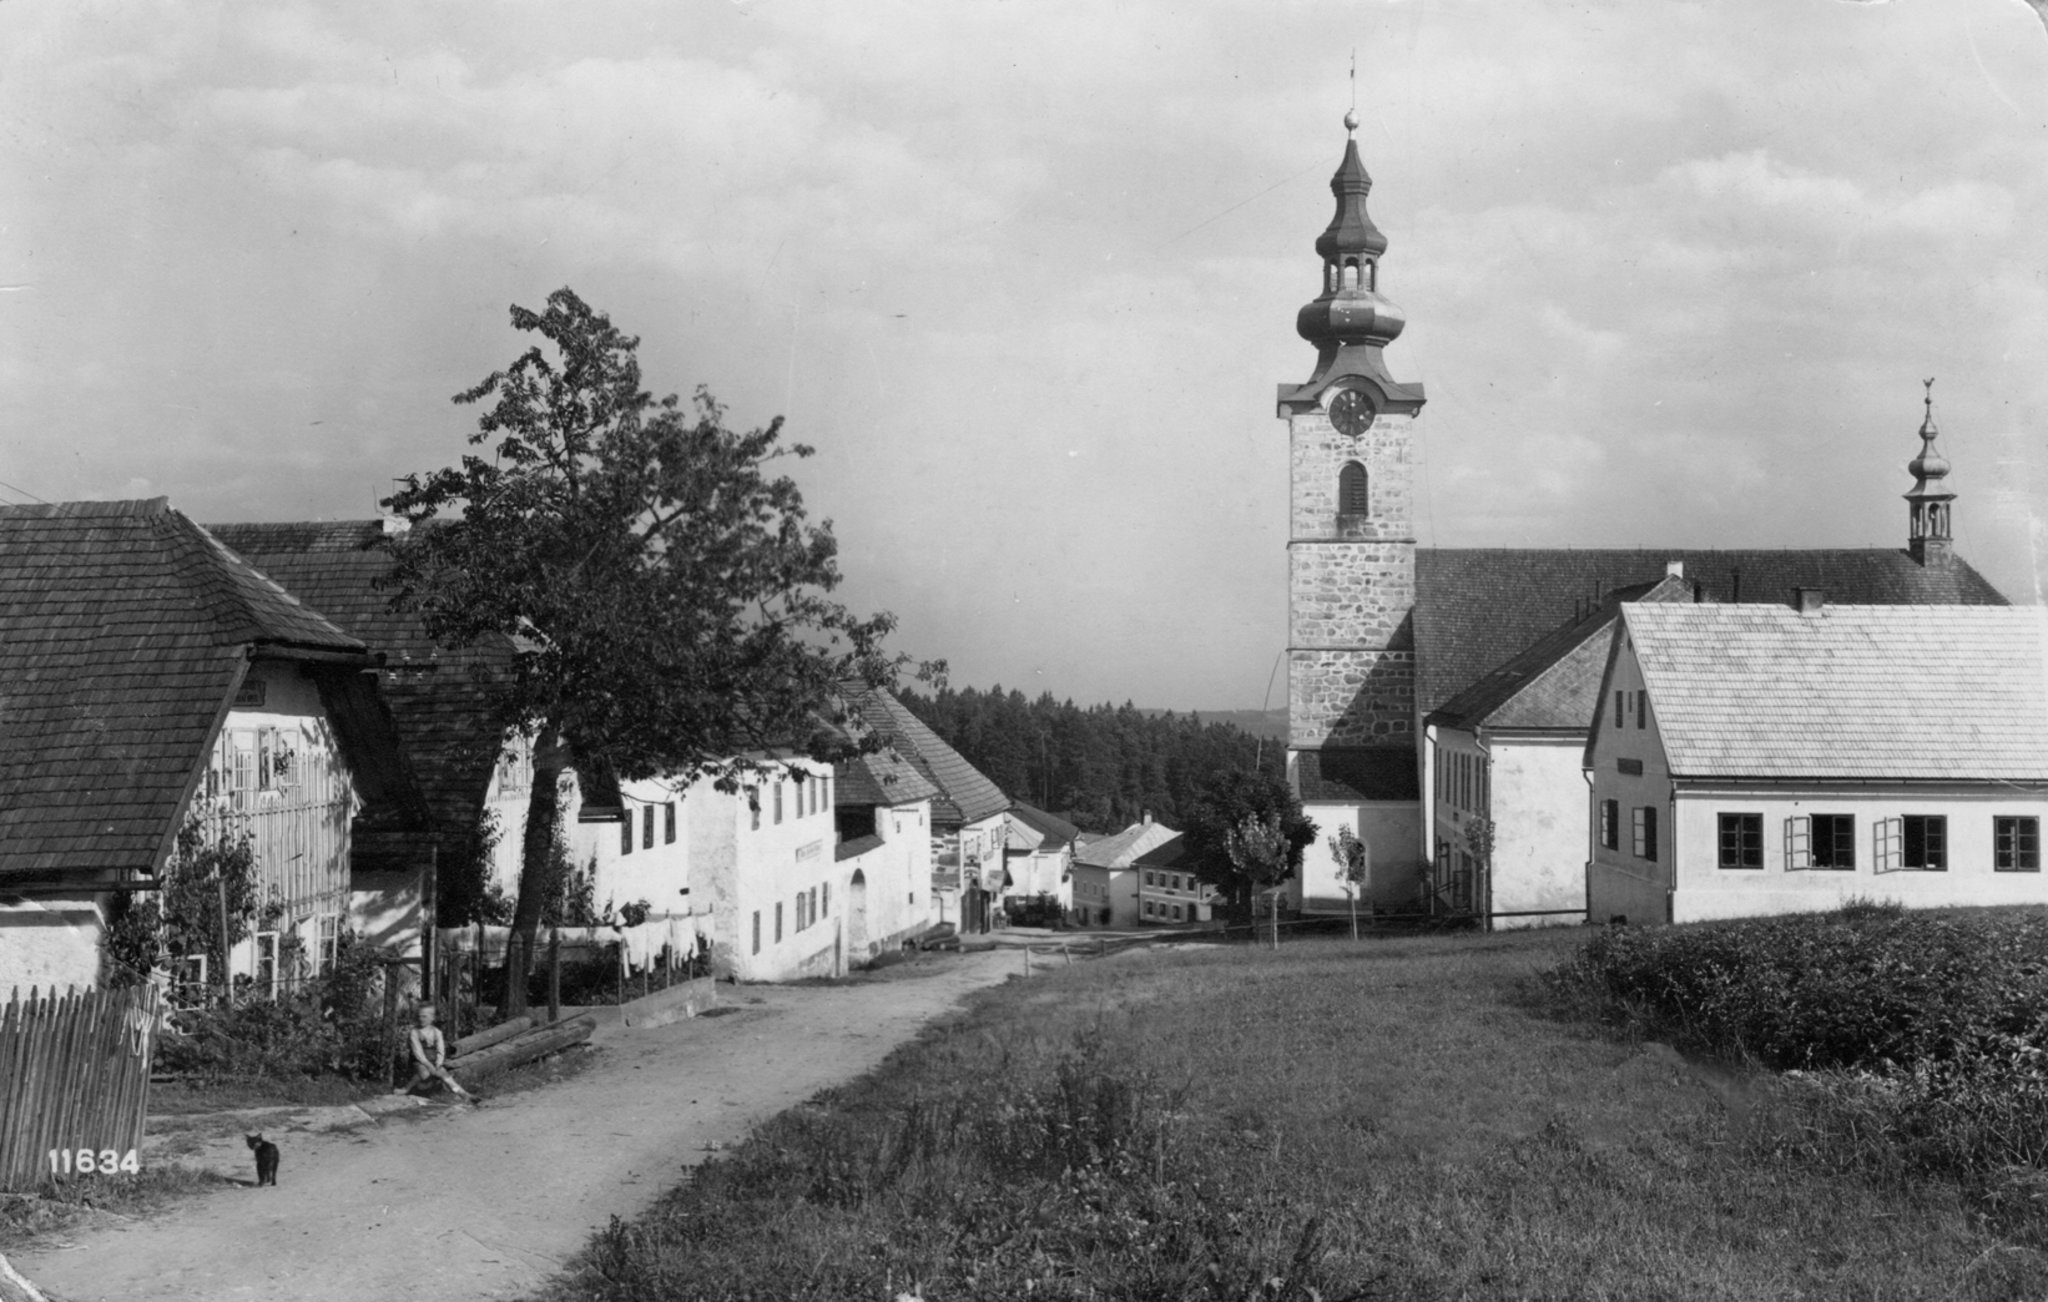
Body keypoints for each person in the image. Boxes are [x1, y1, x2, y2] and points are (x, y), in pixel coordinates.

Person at [403, 1004, 479, 1103]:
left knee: (446, 1077)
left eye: (424, 1016)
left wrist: (439, 1062)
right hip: (419, 1062)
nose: (421, 1019)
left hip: (433, 1061)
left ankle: (463, 1094)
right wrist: (429, 1065)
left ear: (432, 1018)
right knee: (425, 1073)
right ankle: (406, 1089)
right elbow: (418, 1053)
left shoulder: (437, 1032)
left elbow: (440, 1050)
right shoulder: (414, 1032)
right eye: (419, 1016)